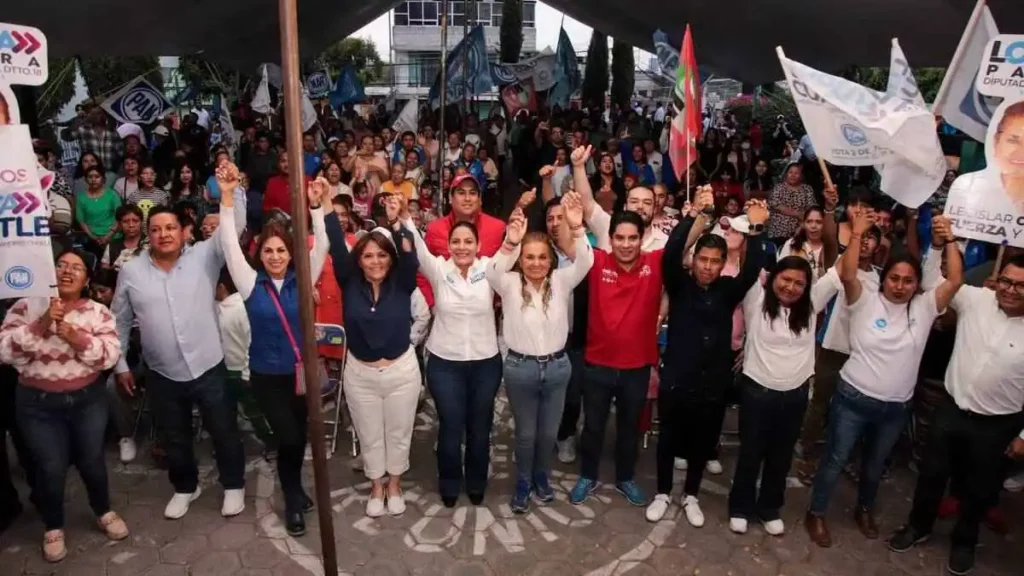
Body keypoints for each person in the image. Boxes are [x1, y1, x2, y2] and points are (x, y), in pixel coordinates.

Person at [805, 211, 964, 548]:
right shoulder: (864, 299)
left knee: (875, 465)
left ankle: (864, 509)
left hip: (895, 408)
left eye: (908, 280)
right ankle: (816, 512)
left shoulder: (923, 308)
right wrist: (859, 234)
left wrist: (949, 239)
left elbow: (953, 282)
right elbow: (847, 273)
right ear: (884, 278)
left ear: (916, 283)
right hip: (852, 399)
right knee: (834, 459)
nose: (900, 286)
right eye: (894, 278)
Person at [111, 176, 248, 521]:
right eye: (156, 229)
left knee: (223, 429)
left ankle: (234, 485)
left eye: (171, 227)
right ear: (148, 234)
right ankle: (185, 487)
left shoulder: (205, 255)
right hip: (161, 372)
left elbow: (235, 228)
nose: (164, 234)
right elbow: (120, 320)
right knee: (174, 437)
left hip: (208, 365)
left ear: (183, 231)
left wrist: (232, 192)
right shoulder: (130, 271)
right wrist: (121, 366)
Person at [888, 252, 1024, 575]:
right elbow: (939, 284)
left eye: (1021, 285)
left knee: (980, 489)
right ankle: (918, 526)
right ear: (996, 278)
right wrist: (938, 248)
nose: (1010, 289)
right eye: (1006, 281)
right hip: (950, 410)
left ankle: (964, 542)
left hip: (998, 426)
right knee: (931, 474)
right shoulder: (976, 300)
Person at [646, 192, 770, 526]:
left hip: (712, 383)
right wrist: (695, 215)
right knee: (668, 438)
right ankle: (661, 493)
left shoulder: (729, 290)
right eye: (704, 259)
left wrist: (757, 228)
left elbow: (754, 267)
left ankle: (691, 496)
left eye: (716, 261)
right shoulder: (680, 284)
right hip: (676, 378)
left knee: (702, 443)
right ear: (695, 258)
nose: (709, 266)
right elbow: (671, 253)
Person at [218, 164, 328, 536]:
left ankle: (295, 488)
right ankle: (293, 499)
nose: (276, 256)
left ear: (291, 252)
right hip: (267, 377)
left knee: (300, 437)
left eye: (282, 250)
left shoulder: (303, 278)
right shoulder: (251, 284)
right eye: (269, 250)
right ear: (260, 254)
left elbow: (323, 244)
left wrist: (316, 208)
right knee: (290, 439)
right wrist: (229, 197)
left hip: (301, 376)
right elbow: (228, 245)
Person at [0, 249, 128, 562]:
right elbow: (5, 352)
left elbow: (108, 356)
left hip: (87, 402)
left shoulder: (98, 312)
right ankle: (53, 526)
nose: (66, 272)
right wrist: (41, 324)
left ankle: (103, 510)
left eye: (76, 268)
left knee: (91, 461)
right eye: (60, 265)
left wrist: (74, 336)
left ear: (87, 278)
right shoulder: (25, 307)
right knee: (51, 467)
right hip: (37, 406)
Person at [488, 194, 593, 513]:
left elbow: (586, 262)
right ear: (521, 260)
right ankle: (523, 482)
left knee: (548, 434)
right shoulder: (507, 282)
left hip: (558, 368)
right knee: (525, 434)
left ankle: (542, 477)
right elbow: (492, 270)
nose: (535, 263)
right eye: (529, 257)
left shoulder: (562, 281)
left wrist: (576, 228)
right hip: (520, 369)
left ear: (551, 260)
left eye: (542, 257)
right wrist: (510, 242)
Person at [725, 252, 839, 535]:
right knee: (751, 453)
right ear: (773, 278)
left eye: (798, 283)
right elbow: (749, 265)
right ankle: (740, 507)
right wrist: (755, 228)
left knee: (781, 455)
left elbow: (840, 271)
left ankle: (769, 508)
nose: (790, 287)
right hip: (757, 392)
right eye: (785, 279)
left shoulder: (812, 303)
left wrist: (858, 233)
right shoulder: (756, 300)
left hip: (795, 395)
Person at [401, 192, 502, 509]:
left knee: (479, 426)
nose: (461, 247)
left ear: (478, 246)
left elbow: (512, 253)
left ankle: (475, 482)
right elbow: (416, 246)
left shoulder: (490, 269)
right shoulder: (438, 270)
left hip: (486, 363)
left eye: (468, 242)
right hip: (445, 364)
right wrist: (405, 216)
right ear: (448, 245)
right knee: (451, 424)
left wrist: (513, 235)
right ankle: (448, 481)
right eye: (456, 241)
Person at [325, 193, 421, 518]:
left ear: (390, 259)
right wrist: (324, 205)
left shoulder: (403, 282)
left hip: (401, 373)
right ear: (359, 260)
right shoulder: (348, 281)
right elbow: (337, 244)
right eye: (368, 256)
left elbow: (410, 252)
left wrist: (397, 223)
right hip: (360, 375)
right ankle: (376, 485)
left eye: (382, 255)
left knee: (398, 431)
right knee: (368, 433)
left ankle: (394, 484)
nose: (375, 261)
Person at [420, 173, 507, 306]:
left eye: (472, 193)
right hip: (445, 311)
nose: (467, 198)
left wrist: (500, 302)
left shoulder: (498, 228)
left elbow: (506, 270)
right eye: (461, 193)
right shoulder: (434, 229)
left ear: (480, 199)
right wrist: (431, 304)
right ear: (450, 198)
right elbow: (422, 272)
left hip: (487, 312)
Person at [76, 166, 122, 266]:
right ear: (86, 179)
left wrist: (108, 236)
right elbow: (81, 220)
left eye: (97, 176)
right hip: (92, 239)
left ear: (103, 178)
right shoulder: (81, 197)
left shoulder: (112, 194)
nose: (93, 180)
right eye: (90, 177)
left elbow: (120, 217)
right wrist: (92, 236)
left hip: (113, 238)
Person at [767, 163, 817, 245]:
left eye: (796, 173)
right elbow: (776, 205)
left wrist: (802, 222)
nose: (793, 175)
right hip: (779, 231)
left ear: (801, 176)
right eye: (790, 172)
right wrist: (798, 214)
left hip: (800, 230)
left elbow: (811, 208)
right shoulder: (779, 187)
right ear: (786, 174)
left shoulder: (807, 189)